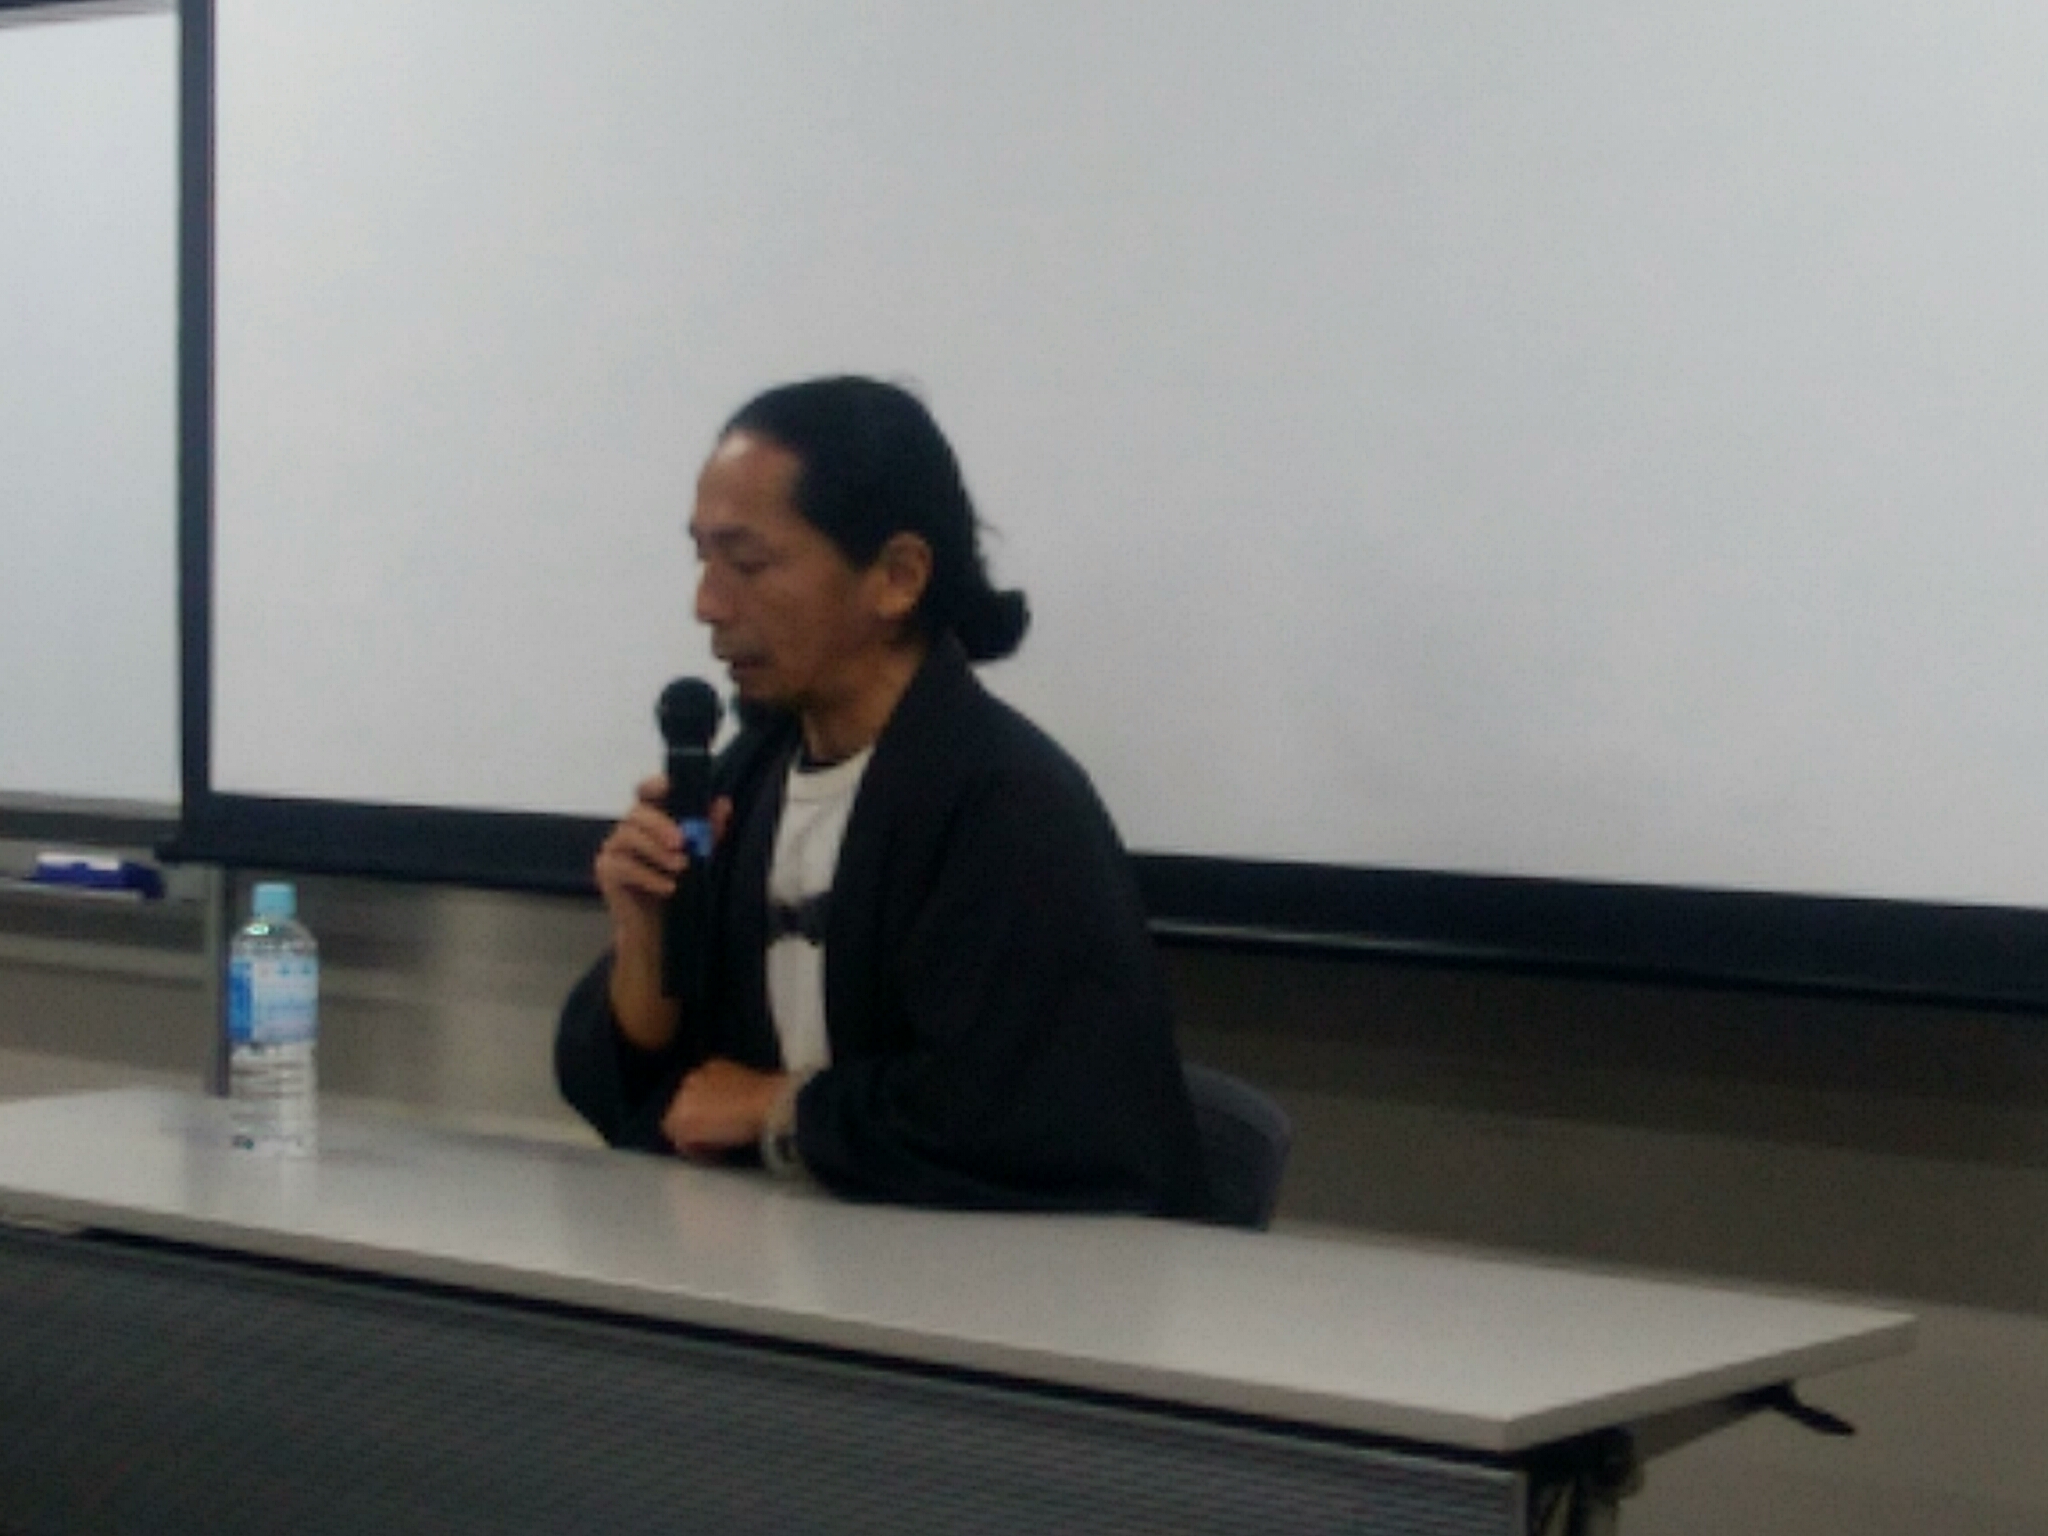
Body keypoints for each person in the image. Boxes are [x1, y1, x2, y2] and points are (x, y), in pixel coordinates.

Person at [554, 376, 1210, 1217]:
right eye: (702, 560)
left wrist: (779, 1107)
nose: (707, 604)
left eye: (747, 563)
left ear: (898, 577)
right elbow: (654, 1096)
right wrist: (646, 942)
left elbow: (1023, 1117)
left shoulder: (1007, 803)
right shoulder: (741, 785)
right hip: (776, 1261)